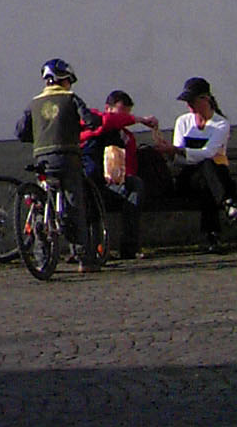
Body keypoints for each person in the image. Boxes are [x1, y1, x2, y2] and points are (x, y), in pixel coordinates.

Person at [15, 58, 100, 273]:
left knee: (41, 204)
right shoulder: (71, 98)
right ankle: (84, 259)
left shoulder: (33, 102)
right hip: (67, 156)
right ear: (65, 80)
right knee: (74, 204)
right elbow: (89, 120)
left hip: (42, 157)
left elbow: (20, 132)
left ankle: (42, 257)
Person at [170, 77, 237, 251]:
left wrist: (184, 152)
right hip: (189, 179)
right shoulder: (183, 122)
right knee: (207, 168)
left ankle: (212, 237)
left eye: (192, 101)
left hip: (213, 178)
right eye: (187, 102)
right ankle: (228, 203)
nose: (189, 106)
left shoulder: (220, 124)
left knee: (208, 176)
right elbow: (178, 158)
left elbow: (210, 152)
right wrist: (183, 153)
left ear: (205, 99)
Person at [86, 89, 149, 263]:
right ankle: (91, 248)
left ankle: (129, 247)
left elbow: (130, 168)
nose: (124, 117)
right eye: (121, 112)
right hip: (93, 182)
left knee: (135, 186)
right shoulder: (97, 126)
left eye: (127, 113)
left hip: (115, 184)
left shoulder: (126, 137)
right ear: (109, 108)